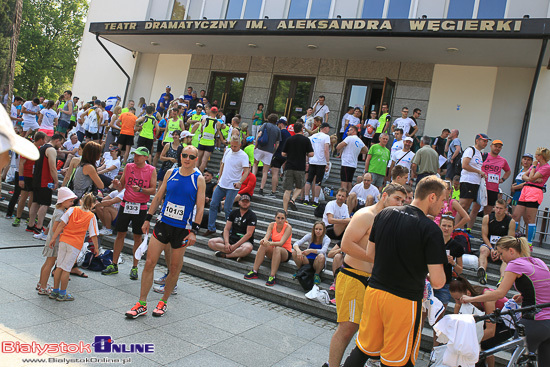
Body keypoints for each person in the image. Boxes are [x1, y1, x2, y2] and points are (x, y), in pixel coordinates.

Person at [342, 176, 447, 367]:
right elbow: (439, 282)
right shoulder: (431, 229)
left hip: (375, 292)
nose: (443, 205)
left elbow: (371, 253)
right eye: (442, 200)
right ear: (432, 197)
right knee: (398, 360)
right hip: (403, 301)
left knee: (363, 350)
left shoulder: (384, 214)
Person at [326, 183, 406, 367]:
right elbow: (345, 245)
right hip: (354, 277)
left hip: (374, 280)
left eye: (403, 200)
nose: (400, 203)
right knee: (347, 329)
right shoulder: (366, 215)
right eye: (397, 199)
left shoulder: (388, 219)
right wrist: (373, 258)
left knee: (372, 328)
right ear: (384, 196)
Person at [125, 145, 204, 318]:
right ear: (180, 156)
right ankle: (142, 303)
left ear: (196, 159)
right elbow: (159, 196)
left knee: (174, 267)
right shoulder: (171, 173)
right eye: (184, 155)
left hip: (182, 229)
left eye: (191, 156)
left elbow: (200, 208)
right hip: (163, 223)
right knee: (149, 262)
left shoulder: (199, 179)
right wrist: (147, 218)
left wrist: (194, 231)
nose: (187, 159)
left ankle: (164, 301)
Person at [461, 236, 550, 366]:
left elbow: (499, 293)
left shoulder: (515, 264)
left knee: (517, 359)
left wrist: (471, 298)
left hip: (534, 321)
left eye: (501, 253)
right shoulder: (537, 261)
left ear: (512, 251)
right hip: (548, 321)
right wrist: (524, 295)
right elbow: (543, 287)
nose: (501, 258)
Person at [102, 147, 157, 279]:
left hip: (141, 207)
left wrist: (141, 190)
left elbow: (153, 190)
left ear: (145, 157)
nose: (136, 157)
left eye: (139, 155)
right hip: (125, 204)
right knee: (120, 234)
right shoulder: (129, 166)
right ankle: (114, 264)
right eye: (135, 155)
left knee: (137, 237)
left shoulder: (151, 170)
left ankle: (135, 266)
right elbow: (122, 186)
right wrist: (116, 184)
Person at [47, 193, 99, 301]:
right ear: (93, 204)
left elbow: (61, 224)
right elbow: (93, 235)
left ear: (81, 201)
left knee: (59, 266)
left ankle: (55, 291)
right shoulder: (91, 216)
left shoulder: (71, 210)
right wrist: (96, 248)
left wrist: (53, 238)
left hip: (63, 240)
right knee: (66, 269)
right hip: (75, 244)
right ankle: (62, 293)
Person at [449, 277, 511, 367]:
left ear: (468, 293)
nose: (457, 302)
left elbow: (490, 331)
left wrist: (467, 341)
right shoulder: (465, 296)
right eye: (454, 299)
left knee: (484, 344)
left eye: (458, 299)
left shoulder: (486, 299)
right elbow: (457, 320)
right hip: (493, 317)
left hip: (508, 322)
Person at [205, 136, 250, 236]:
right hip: (222, 183)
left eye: (235, 146)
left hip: (232, 186)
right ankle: (211, 228)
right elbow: (223, 164)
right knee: (213, 204)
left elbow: (246, 170)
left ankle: (229, 231)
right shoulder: (228, 151)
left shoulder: (243, 155)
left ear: (239, 145)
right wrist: (219, 177)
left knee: (227, 208)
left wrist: (240, 182)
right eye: (232, 145)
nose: (233, 148)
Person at [37, 187, 78, 295]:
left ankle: (41, 283)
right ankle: (43, 287)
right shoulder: (60, 214)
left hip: (51, 241)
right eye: (70, 201)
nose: (72, 203)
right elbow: (55, 229)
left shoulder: (58, 211)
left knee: (47, 263)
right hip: (54, 243)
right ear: (63, 201)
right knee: (49, 264)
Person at [27, 134, 64, 237]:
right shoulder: (51, 150)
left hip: (37, 179)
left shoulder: (42, 148)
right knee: (45, 204)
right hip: (45, 180)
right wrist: (56, 181)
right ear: (57, 140)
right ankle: (39, 226)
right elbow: (52, 167)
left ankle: (30, 225)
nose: (60, 146)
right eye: (60, 143)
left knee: (35, 202)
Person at [469, 139, 511, 228]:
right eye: (496, 146)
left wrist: (503, 179)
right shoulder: (483, 156)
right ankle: (468, 229)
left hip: (493, 189)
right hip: (482, 187)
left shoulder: (502, 160)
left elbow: (508, 171)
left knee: (487, 212)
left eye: (499, 147)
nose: (497, 148)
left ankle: (484, 233)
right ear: (491, 146)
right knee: (475, 210)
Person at [244, 210, 291, 287]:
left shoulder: (288, 227)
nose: (280, 220)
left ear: (285, 219)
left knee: (277, 248)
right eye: (278, 218)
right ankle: (254, 271)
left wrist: (269, 243)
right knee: (263, 245)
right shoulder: (272, 225)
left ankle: (272, 276)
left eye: (282, 218)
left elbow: (281, 243)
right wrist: (263, 241)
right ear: (275, 218)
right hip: (274, 249)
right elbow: (266, 237)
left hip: (285, 252)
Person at [456, 133, 490, 230]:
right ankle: (455, 228)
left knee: (466, 207)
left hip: (475, 182)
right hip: (468, 181)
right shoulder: (470, 150)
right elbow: (465, 165)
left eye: (487, 141)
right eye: (484, 140)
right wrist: (479, 171)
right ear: (477, 140)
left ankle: (460, 228)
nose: (485, 143)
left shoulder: (479, 153)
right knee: (462, 206)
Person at [479, 199, 516, 286]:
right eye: (497, 208)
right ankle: (482, 272)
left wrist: (499, 251)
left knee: (507, 257)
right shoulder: (487, 218)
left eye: (501, 208)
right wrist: (492, 249)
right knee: (483, 250)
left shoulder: (511, 221)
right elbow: (484, 235)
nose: (498, 210)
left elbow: (510, 239)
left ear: (505, 209)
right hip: (489, 244)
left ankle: (502, 278)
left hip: (504, 246)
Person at [207, 194, 255, 260]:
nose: (245, 203)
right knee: (211, 242)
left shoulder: (252, 215)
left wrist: (235, 246)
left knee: (248, 248)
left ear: (249, 203)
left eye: (247, 202)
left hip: (244, 241)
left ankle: (226, 255)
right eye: (243, 201)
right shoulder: (234, 212)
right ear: (239, 202)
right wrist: (227, 243)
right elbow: (226, 229)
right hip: (232, 237)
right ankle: (235, 254)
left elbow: (249, 234)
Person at [512, 147, 550, 232]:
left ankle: (529, 242)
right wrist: (531, 179)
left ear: (542, 156)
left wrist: (533, 170)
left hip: (535, 191)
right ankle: (512, 237)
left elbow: (531, 177)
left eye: (537, 154)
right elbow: (524, 176)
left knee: (529, 218)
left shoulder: (546, 167)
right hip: (525, 190)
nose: (535, 156)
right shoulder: (536, 165)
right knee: (515, 215)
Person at [434, 215, 464, 313]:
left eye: (449, 226)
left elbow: (460, 270)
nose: (446, 228)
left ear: (453, 227)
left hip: (445, 283)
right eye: (444, 225)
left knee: (439, 314)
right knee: (423, 313)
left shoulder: (457, 246)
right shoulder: (432, 241)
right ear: (439, 226)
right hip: (429, 281)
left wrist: (453, 263)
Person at [281, 122, 314, 213]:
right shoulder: (306, 140)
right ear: (302, 129)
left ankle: (285, 210)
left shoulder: (289, 139)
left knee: (287, 190)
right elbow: (311, 153)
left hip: (289, 166)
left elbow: (283, 153)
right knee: (299, 186)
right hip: (300, 167)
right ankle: (293, 199)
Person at [292, 221, 331, 285]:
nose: (318, 231)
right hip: (307, 260)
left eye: (320, 229)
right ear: (313, 229)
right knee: (294, 252)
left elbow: (323, 251)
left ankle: (317, 274)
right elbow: (296, 243)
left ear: (324, 230)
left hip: (317, 261)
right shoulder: (310, 236)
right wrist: (298, 251)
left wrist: (310, 250)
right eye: (316, 229)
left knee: (321, 256)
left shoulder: (326, 239)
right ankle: (300, 270)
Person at [253, 113, 281, 196]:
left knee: (255, 164)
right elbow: (277, 143)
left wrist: (256, 145)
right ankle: (261, 188)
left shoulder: (265, 125)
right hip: (269, 151)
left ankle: (252, 181)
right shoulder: (278, 129)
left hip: (261, 148)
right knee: (265, 171)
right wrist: (273, 151)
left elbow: (259, 135)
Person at [304, 122, 331, 206]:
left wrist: (307, 162)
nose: (329, 130)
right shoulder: (326, 137)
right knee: (318, 182)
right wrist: (327, 162)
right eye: (328, 128)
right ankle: (315, 200)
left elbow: (308, 150)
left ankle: (306, 198)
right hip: (321, 162)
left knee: (309, 180)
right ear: (325, 128)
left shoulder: (312, 137)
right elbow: (326, 150)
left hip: (312, 161)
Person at [337, 125, 368, 193]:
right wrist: (356, 151)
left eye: (348, 130)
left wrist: (342, 147)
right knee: (349, 182)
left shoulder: (349, 138)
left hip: (346, 162)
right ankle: (348, 198)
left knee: (344, 182)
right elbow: (366, 150)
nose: (347, 132)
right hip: (353, 164)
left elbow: (338, 146)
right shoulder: (359, 140)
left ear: (353, 131)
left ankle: (343, 197)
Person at [268, 118, 291, 196]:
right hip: (285, 155)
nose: (277, 126)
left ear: (281, 124)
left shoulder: (280, 132)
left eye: (278, 124)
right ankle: (277, 187)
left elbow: (276, 144)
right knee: (278, 173)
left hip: (278, 154)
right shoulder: (288, 134)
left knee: (275, 173)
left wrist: (273, 153)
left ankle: (273, 191)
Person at [197, 106, 222, 172]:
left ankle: (195, 172)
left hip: (203, 140)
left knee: (198, 158)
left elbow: (201, 129)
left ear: (210, 111)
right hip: (210, 142)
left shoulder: (205, 120)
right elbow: (217, 134)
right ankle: (200, 174)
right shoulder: (218, 123)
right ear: (217, 113)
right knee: (204, 160)